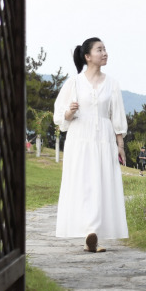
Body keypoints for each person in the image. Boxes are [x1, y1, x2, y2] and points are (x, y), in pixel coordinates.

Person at [53, 37, 129, 252]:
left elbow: (117, 116)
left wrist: (120, 145)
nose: (104, 53)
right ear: (87, 57)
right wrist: (69, 111)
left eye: (105, 49)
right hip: (80, 138)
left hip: (104, 139)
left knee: (101, 182)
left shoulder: (112, 83)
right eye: (99, 50)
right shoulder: (74, 83)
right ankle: (89, 232)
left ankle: (94, 232)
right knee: (83, 183)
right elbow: (60, 115)